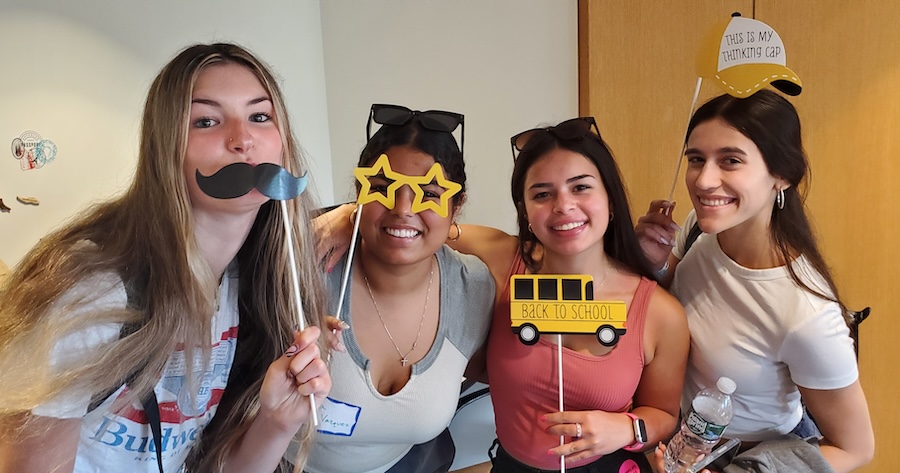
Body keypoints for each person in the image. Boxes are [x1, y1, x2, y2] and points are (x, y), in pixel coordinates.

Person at [0, 43, 330, 473]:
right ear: (165, 148)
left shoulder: (249, 284)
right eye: (206, 121)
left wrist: (276, 421)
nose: (242, 139)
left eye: (259, 116)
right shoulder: (93, 291)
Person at [635, 90, 875, 472]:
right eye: (696, 159)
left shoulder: (806, 314)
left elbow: (855, 448)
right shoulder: (701, 231)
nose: (704, 180)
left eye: (730, 160)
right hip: (675, 439)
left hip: (744, 458)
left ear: (781, 176)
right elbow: (668, 305)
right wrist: (649, 264)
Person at [305, 104, 494, 473]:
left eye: (429, 193)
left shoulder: (474, 289)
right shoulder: (310, 268)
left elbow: (553, 248)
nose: (402, 208)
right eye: (381, 188)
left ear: (457, 208)